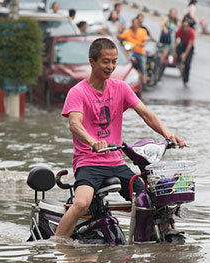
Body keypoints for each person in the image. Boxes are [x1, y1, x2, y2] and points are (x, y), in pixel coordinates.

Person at [54, 37, 186, 239]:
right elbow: (75, 124)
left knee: (148, 199)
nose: (111, 66)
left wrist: (168, 135)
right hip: (88, 162)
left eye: (114, 61)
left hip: (116, 162)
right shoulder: (78, 92)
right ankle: (56, 244)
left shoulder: (121, 88)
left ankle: (147, 242)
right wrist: (92, 142)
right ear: (92, 61)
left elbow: (145, 114)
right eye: (105, 61)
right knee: (81, 203)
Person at [119, 18, 148, 85]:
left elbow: (145, 42)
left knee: (143, 66)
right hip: (130, 52)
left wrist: (142, 44)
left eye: (136, 23)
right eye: (133, 23)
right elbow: (120, 36)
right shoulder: (128, 32)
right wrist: (120, 29)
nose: (135, 25)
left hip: (140, 52)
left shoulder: (142, 31)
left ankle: (144, 82)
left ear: (138, 24)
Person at [173, 17, 195, 86]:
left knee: (187, 64)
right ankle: (179, 63)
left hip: (189, 47)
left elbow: (190, 44)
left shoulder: (191, 32)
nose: (185, 28)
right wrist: (174, 52)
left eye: (187, 26)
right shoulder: (179, 31)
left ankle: (186, 79)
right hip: (182, 45)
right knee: (178, 49)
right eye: (184, 26)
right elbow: (175, 42)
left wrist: (185, 54)